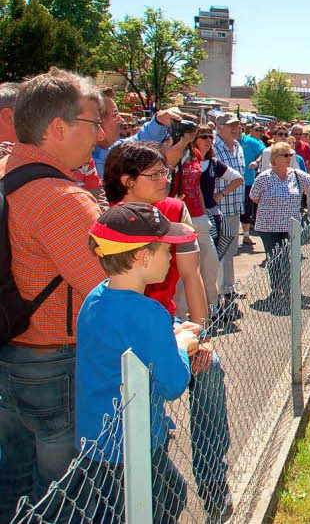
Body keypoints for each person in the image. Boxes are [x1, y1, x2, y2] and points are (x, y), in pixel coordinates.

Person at [102, 141, 234, 518]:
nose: (165, 178)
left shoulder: (175, 214)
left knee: (211, 371)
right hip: (131, 328)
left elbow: (192, 278)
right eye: (155, 174)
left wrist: (201, 334)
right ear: (126, 181)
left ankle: (212, 480)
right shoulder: (110, 224)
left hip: (168, 323)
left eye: (165, 171)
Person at [0, 70, 109, 522]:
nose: (100, 133)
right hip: (52, 362)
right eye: (93, 121)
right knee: (62, 493)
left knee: (12, 481)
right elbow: (106, 286)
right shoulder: (62, 198)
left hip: (10, 348)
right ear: (57, 128)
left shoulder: (8, 169)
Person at [77, 202, 200, 523]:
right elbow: (173, 384)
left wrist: (169, 332)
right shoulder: (150, 313)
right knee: (158, 506)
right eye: (165, 250)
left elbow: (125, 334)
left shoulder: (94, 298)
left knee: (151, 501)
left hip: (96, 441)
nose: (172, 257)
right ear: (141, 256)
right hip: (136, 443)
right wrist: (182, 344)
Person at [249, 142, 310, 297]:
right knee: (275, 259)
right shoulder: (264, 178)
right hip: (269, 227)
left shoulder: (296, 175)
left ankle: (292, 290)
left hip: (291, 226)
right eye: (285, 155)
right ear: (275, 158)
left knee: (291, 258)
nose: (289, 158)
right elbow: (254, 196)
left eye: (290, 155)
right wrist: (273, 207)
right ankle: (277, 290)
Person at [212, 114, 248, 305]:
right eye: (231, 126)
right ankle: (220, 292)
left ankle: (228, 287)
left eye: (238, 125)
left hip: (234, 206)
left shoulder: (238, 147)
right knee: (220, 250)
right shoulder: (214, 147)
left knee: (231, 250)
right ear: (219, 127)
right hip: (219, 207)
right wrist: (222, 194)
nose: (236, 129)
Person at [239, 123, 267, 247]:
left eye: (238, 128)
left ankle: (245, 235)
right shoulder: (224, 141)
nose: (236, 131)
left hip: (247, 180)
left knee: (246, 209)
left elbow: (264, 152)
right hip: (228, 182)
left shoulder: (250, 141)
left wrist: (256, 161)